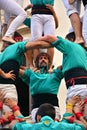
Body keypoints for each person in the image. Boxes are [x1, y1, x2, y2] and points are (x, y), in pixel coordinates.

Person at [25, 35, 87, 101]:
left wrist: (31, 44)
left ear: (71, 40)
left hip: (76, 87)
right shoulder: (83, 52)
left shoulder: (70, 46)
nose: (65, 42)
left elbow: (49, 37)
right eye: (41, 58)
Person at [20, 52, 63, 122]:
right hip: (37, 107)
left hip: (53, 107)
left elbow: (68, 64)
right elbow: (16, 69)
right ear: (37, 63)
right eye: (41, 58)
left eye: (45, 58)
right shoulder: (31, 74)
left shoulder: (55, 74)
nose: (43, 60)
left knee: (55, 127)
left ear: (49, 62)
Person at [5, 96, 87, 130]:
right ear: (54, 118)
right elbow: (83, 126)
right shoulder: (61, 126)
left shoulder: (32, 128)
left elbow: (12, 125)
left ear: (39, 117)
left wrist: (15, 108)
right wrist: (72, 118)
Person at [24, 3, 58, 70]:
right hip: (37, 46)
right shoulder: (32, 21)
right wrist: (26, 8)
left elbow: (56, 25)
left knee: (50, 45)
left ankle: (49, 67)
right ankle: (34, 66)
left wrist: (53, 12)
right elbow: (22, 17)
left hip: (46, 46)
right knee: (26, 42)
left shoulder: (48, 22)